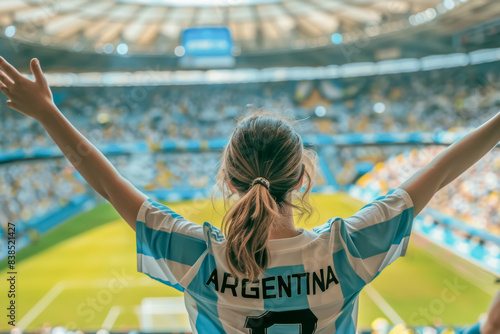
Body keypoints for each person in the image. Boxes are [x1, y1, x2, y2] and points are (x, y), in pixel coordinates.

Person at [0, 57, 499, 333]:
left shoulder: (199, 257)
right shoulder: (346, 250)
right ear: (302, 179)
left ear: (228, 178)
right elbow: (442, 167)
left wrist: (47, 111)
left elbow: (99, 173)